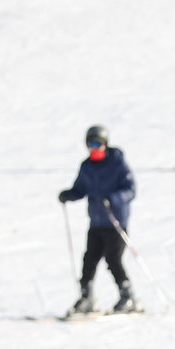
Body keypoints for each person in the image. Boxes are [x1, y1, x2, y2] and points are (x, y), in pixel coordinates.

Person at [57, 125, 139, 316]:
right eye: (90, 145)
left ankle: (128, 297)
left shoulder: (117, 163)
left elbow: (130, 189)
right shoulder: (87, 166)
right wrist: (68, 195)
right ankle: (86, 298)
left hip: (115, 221)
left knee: (113, 259)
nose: (94, 149)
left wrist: (113, 199)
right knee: (89, 259)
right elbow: (80, 189)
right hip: (96, 221)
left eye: (97, 144)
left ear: (105, 144)